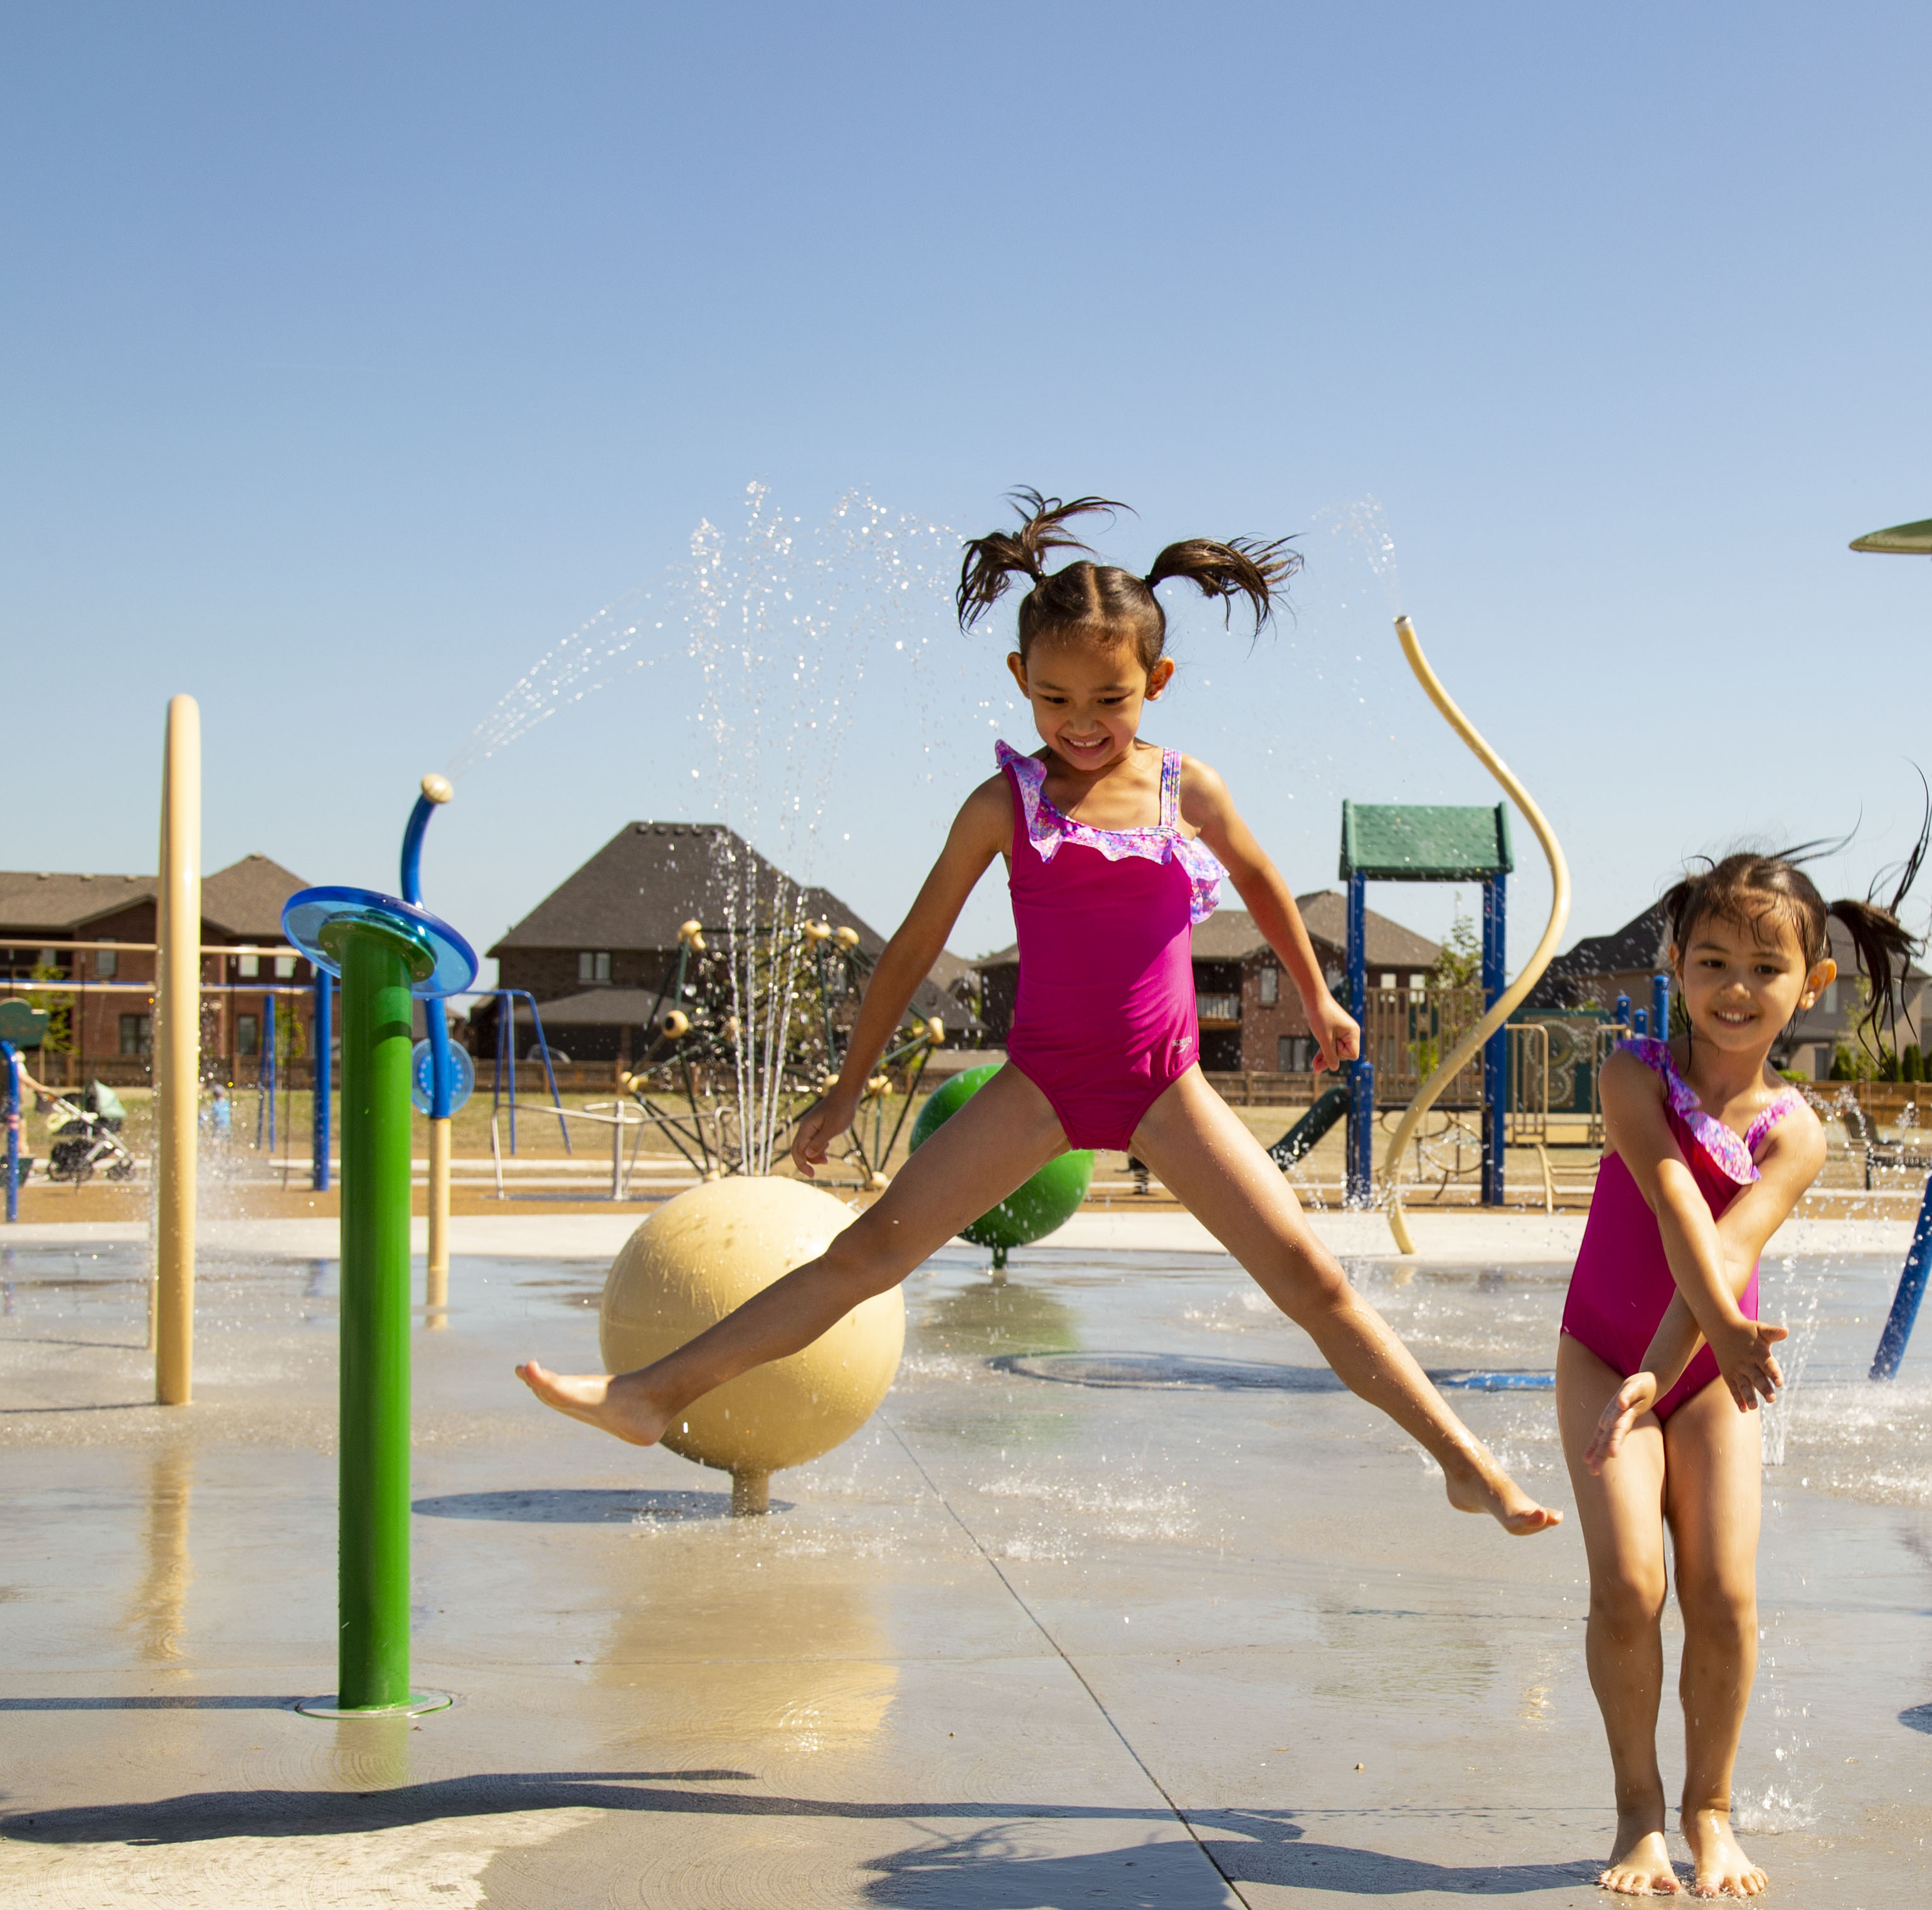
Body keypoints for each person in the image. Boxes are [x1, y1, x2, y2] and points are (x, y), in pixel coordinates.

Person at [518, 492, 1558, 1537]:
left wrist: (1322, 990)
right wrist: (843, 1091)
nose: (1082, 722)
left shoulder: (1185, 790)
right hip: (1040, 1087)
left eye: (1109, 697)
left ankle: (1463, 1461)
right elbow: (916, 947)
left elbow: (1264, 882)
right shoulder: (1002, 805)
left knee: (1313, 1281)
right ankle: (652, 1394)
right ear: (1018, 680)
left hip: (1166, 1089)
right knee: (866, 1253)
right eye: (1054, 697)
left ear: (1156, 683)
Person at [1561, 851, 1914, 1896]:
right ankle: (1637, 1814)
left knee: (1722, 1593)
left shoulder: (1796, 1130)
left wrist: (1688, 1353)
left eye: (1766, 967)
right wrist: (1650, 1366)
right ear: (1672, 962)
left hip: (1713, 1371)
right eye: (1711, 960)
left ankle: (1710, 1810)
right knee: (1630, 1583)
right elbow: (1675, 1201)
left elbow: (1729, 1245)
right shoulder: (1631, 1075)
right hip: (1602, 1356)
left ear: (1813, 983)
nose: (1735, 988)